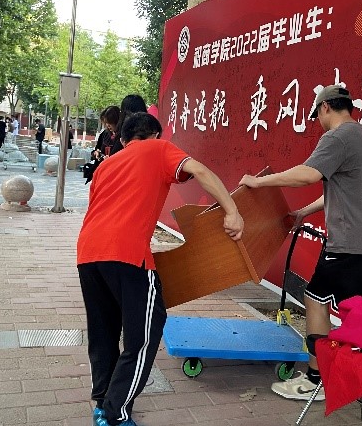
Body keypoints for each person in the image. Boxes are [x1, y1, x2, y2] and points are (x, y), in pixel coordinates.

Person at [77, 113, 244, 426]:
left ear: (123, 139)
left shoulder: (106, 165)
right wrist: (232, 211)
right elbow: (199, 170)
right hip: (127, 255)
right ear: (155, 135)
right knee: (144, 333)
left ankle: (102, 403)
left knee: (103, 332)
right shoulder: (159, 148)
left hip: (88, 253)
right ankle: (115, 414)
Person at [239, 85, 362, 402]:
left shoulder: (337, 137)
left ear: (325, 107)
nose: (318, 122)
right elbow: (343, 190)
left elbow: (308, 175)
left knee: (315, 298)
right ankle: (357, 374)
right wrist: (303, 212)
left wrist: (259, 182)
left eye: (317, 115)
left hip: (353, 245)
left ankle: (316, 379)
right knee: (358, 310)